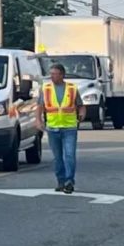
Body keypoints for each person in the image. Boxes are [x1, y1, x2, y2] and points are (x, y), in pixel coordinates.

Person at [36, 63, 86, 194]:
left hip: (69, 127)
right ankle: (61, 181)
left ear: (62, 75)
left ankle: (69, 181)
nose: (52, 76)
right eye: (51, 74)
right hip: (53, 128)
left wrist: (81, 114)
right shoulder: (45, 88)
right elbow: (40, 106)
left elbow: (81, 105)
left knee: (69, 155)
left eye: (55, 74)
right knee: (57, 157)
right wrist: (38, 120)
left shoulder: (71, 88)